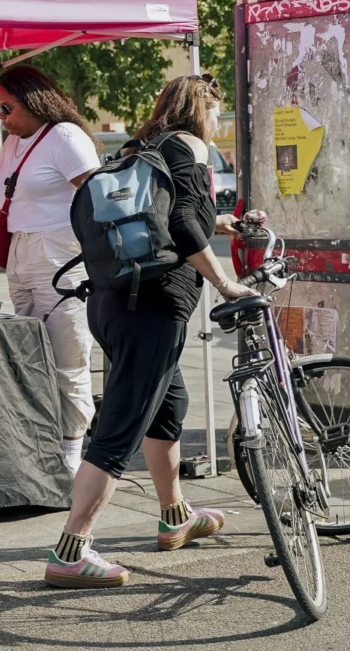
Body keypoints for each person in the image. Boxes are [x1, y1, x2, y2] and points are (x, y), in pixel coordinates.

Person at [41, 73, 257, 589]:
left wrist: (217, 224)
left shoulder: (141, 148)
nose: (215, 124)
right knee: (119, 430)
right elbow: (182, 225)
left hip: (113, 299)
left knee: (169, 406)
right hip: (153, 308)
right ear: (202, 111)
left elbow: (160, 220)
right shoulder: (191, 146)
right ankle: (70, 551)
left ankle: (175, 514)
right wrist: (225, 283)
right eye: (215, 114)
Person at [0, 65, 100, 473]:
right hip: (21, 251)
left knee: (68, 353)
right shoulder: (13, 142)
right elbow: (15, 193)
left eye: (6, 107)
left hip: (60, 251)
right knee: (30, 351)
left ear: (32, 100)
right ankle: (43, 438)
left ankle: (72, 449)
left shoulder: (65, 137)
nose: (2, 117)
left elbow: (95, 195)